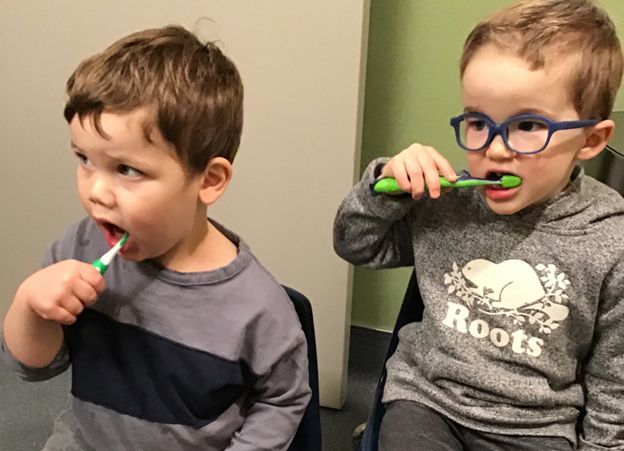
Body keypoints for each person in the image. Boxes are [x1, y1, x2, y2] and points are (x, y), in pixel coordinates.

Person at [1, 25, 310, 451]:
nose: (95, 191)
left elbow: (283, 399)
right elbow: (31, 368)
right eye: (84, 159)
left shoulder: (257, 308)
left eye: (127, 170)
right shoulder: (78, 248)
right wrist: (30, 307)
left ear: (210, 180)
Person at [334, 0, 624, 449]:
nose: (496, 149)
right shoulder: (448, 201)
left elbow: (614, 379)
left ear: (590, 140)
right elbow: (355, 245)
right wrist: (383, 187)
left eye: (527, 125)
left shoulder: (610, 239)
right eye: (477, 122)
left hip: (537, 428)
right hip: (428, 402)